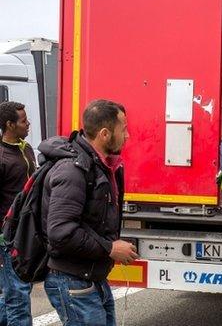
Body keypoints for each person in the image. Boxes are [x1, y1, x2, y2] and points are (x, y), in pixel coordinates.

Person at [40, 100, 138, 326]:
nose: (128, 135)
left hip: (91, 276)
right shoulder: (73, 171)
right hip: (73, 279)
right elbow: (61, 232)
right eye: (123, 129)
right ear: (105, 134)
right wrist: (110, 248)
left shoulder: (101, 166)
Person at [0, 101, 35, 326]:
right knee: (18, 297)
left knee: (15, 293)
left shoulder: (26, 148)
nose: (28, 123)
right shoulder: (2, 158)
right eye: (23, 121)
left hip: (27, 232)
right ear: (9, 125)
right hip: (8, 237)